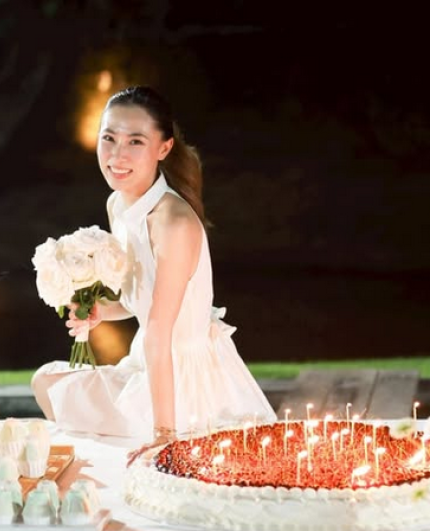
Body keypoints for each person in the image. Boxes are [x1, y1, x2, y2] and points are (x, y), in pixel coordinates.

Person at [31, 86, 276, 462]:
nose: (117, 155)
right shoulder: (118, 204)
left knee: (54, 389)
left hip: (183, 380)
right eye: (109, 138)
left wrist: (164, 436)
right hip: (146, 361)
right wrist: (100, 312)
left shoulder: (172, 222)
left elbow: (160, 331)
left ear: (164, 148)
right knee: (47, 382)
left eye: (135, 141)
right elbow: (139, 299)